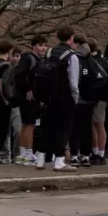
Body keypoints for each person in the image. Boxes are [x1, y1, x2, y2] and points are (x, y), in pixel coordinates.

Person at [35, 27, 80, 172]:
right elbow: (73, 81)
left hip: (47, 96)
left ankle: (40, 159)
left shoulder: (49, 52)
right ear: (71, 38)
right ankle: (59, 160)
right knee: (63, 128)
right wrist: (75, 98)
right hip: (64, 96)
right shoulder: (72, 56)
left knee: (46, 126)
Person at [13, 36, 47, 166]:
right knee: (30, 125)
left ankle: (23, 154)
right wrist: (28, 89)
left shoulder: (37, 59)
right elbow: (21, 75)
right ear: (33, 46)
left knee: (26, 125)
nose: (43, 48)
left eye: (44, 45)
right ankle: (28, 154)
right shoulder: (29, 58)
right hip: (29, 97)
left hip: (30, 96)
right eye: (40, 45)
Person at [70, 34, 98, 167]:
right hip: (89, 99)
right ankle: (86, 155)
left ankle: (74, 155)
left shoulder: (74, 57)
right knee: (87, 128)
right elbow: (102, 75)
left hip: (77, 99)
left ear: (76, 44)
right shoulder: (91, 58)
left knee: (75, 128)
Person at [89, 38, 108, 165]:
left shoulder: (95, 61)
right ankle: (96, 151)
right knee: (95, 124)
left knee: (98, 124)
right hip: (99, 97)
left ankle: (99, 153)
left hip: (99, 97)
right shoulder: (102, 60)